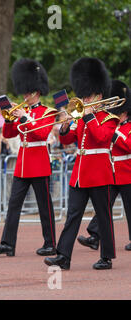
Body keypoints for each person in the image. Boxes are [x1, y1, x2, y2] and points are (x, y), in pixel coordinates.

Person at [44, 57, 119, 270]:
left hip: (99, 172)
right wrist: (65, 126)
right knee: (73, 215)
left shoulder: (108, 118)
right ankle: (63, 256)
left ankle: (107, 256)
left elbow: (102, 139)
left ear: (99, 95)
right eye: (84, 95)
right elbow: (67, 140)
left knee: (103, 216)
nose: (85, 99)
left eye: (89, 96)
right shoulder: (83, 118)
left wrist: (87, 117)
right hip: (80, 171)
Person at [0, 58, 58, 257]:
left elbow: (41, 134)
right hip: (23, 163)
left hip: (39, 162)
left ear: (36, 92)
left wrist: (25, 118)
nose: (25, 95)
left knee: (44, 206)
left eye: (28, 92)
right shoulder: (22, 111)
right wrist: (10, 117)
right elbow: (9, 135)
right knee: (13, 205)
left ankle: (50, 243)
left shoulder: (47, 112)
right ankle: (8, 243)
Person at [76, 79, 131, 252]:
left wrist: (113, 134)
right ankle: (94, 235)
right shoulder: (109, 121)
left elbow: (128, 145)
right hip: (112, 171)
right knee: (104, 207)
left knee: (130, 208)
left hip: (127, 172)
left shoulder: (127, 127)